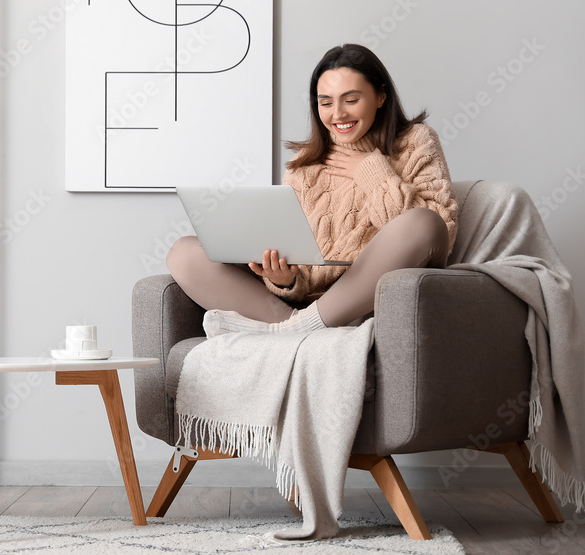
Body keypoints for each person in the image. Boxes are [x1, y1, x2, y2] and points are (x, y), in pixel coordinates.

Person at [167, 44, 458, 336]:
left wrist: (371, 170)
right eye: (326, 102)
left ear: (381, 96)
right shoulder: (302, 165)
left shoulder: (416, 141)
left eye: (351, 99)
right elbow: (296, 258)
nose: (338, 114)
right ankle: (297, 328)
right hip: (301, 307)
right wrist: (284, 279)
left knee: (423, 221)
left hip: (367, 301)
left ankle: (295, 331)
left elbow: (439, 231)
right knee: (183, 253)